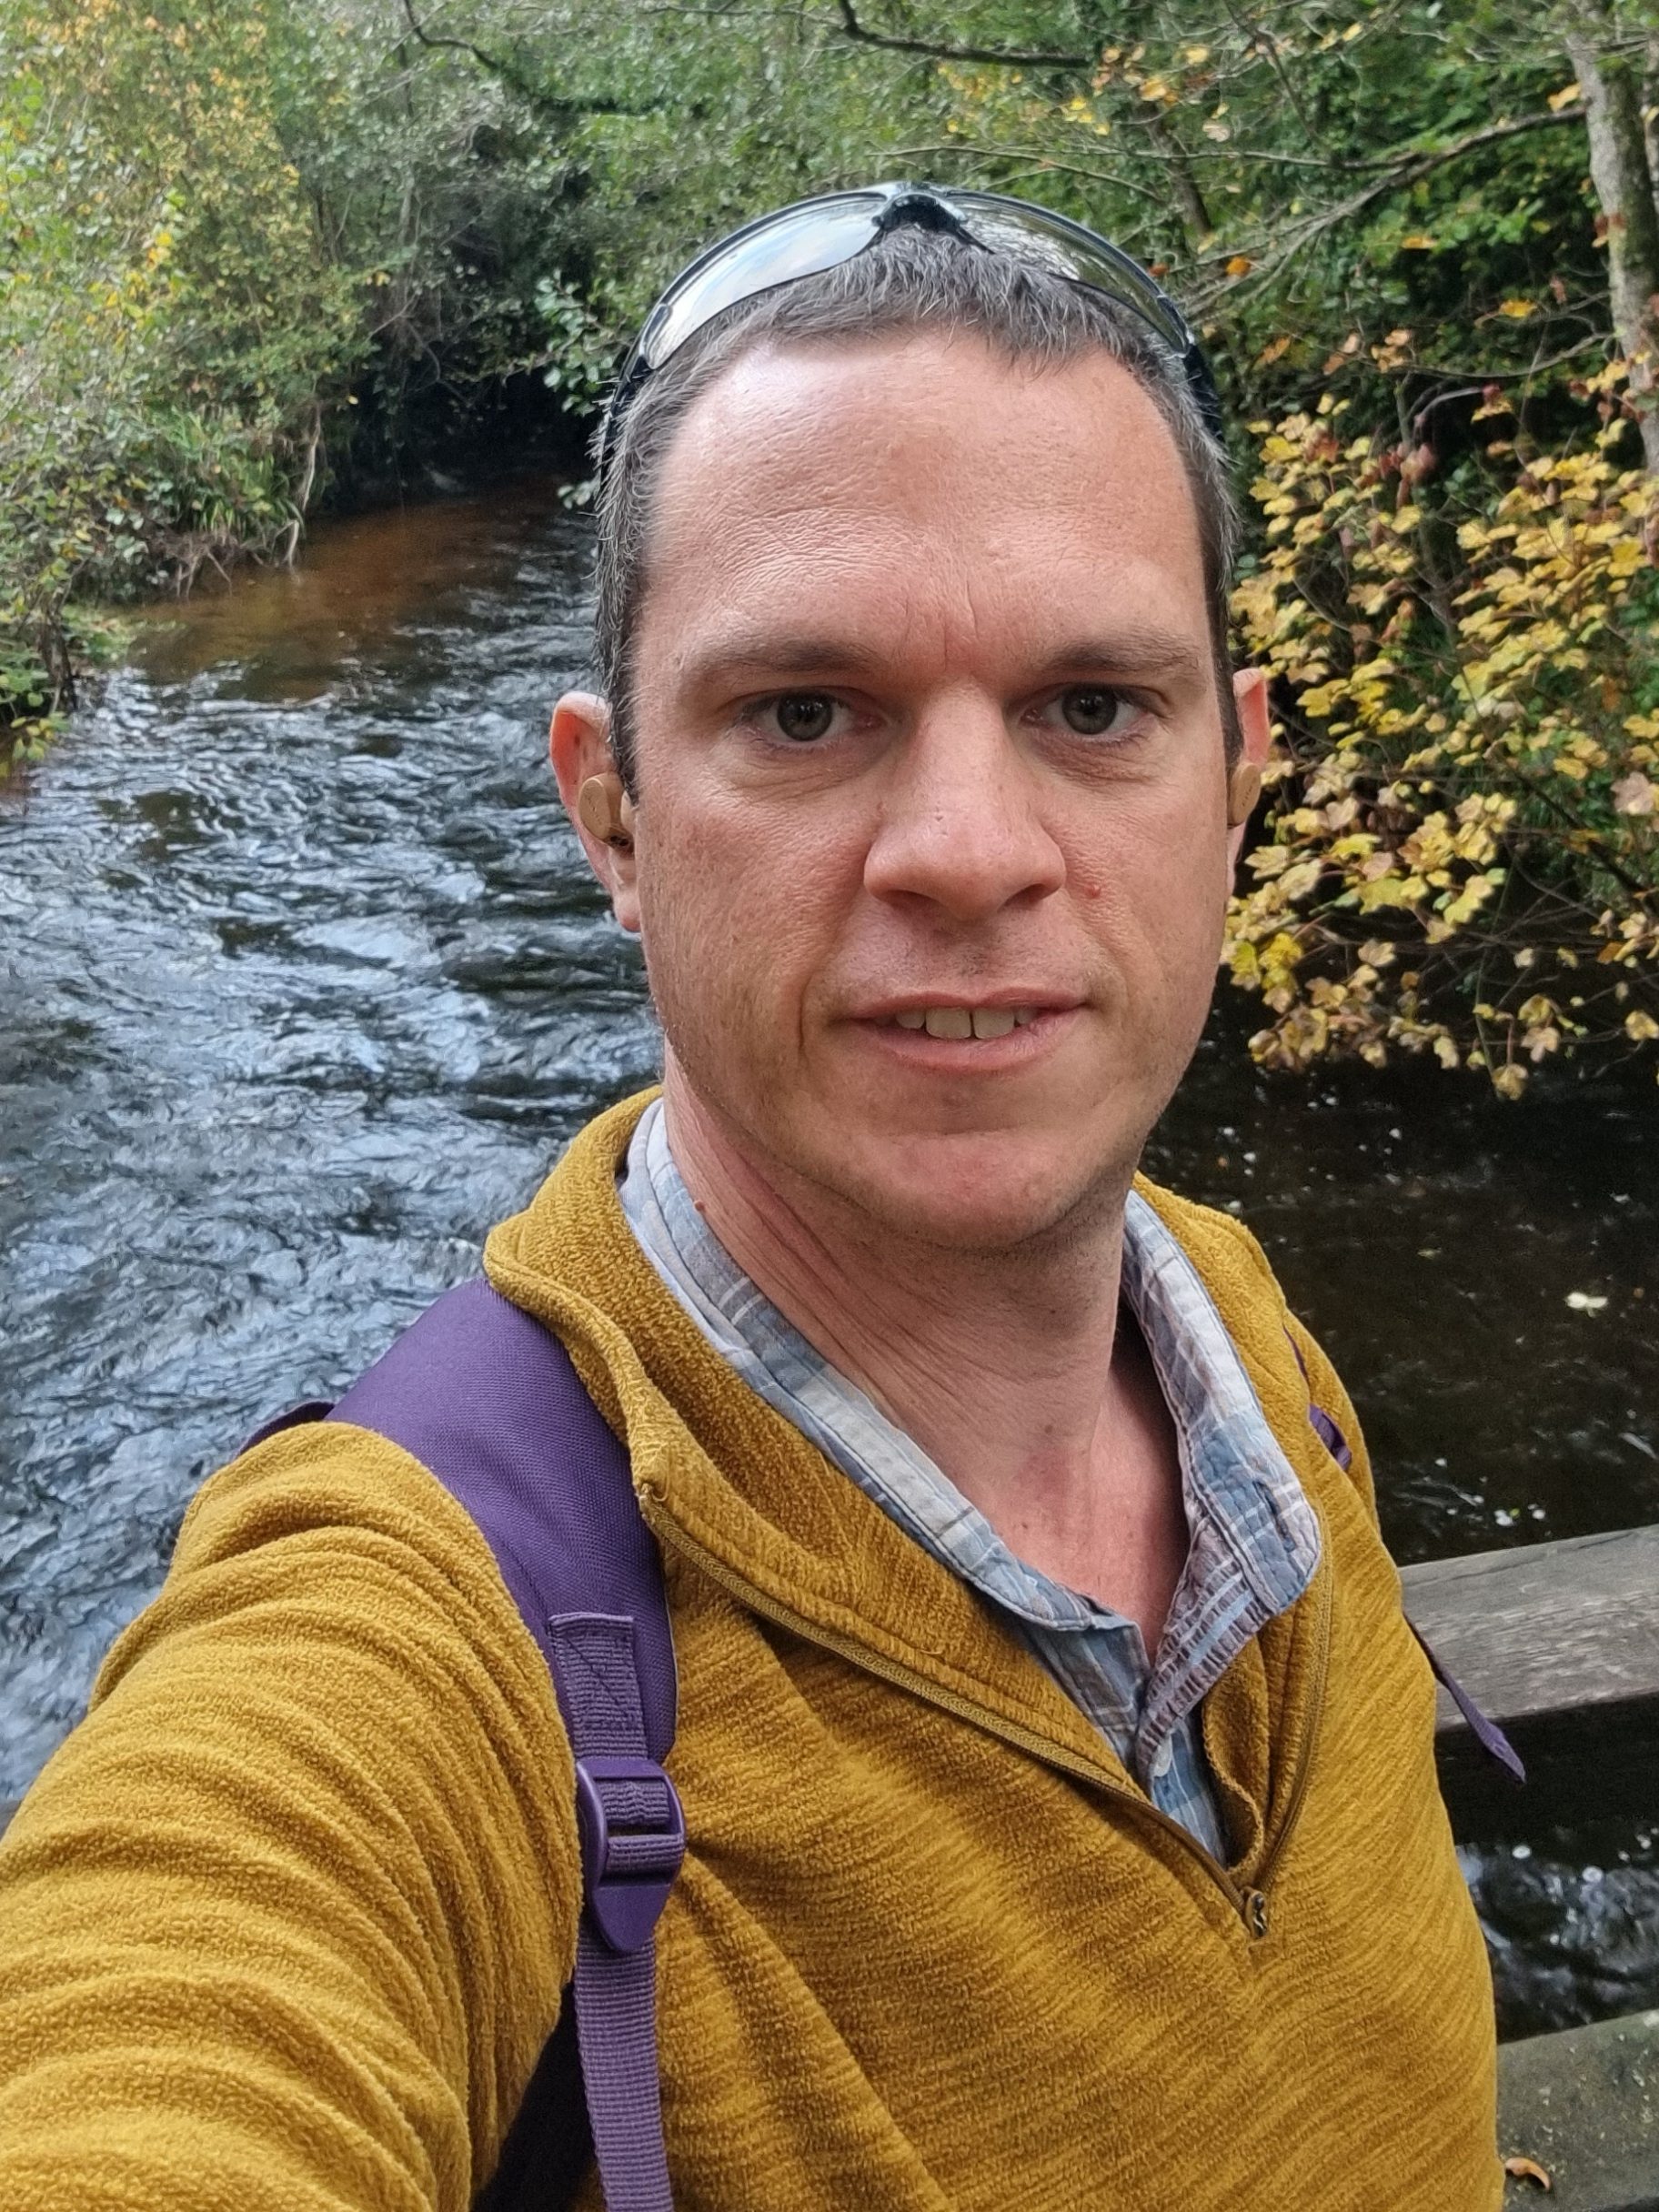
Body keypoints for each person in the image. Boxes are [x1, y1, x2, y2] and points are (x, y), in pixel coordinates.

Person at [0, 184, 1500, 2209]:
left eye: (1092, 708)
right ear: (608, 810)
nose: (969, 850)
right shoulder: (420, 1635)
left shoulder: (1246, 1327)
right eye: (805, 713)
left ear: (1235, 777)